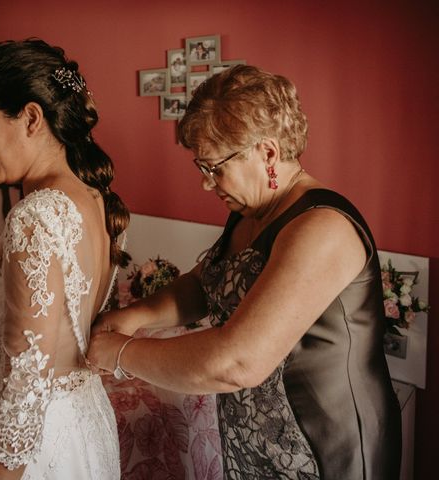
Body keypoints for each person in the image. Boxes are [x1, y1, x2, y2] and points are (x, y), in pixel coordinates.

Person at [88, 64, 401, 479]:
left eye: (214, 167)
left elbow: (238, 361)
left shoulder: (322, 228)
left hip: (327, 447)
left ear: (268, 152)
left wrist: (122, 354)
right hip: (254, 438)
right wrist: (134, 316)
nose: (206, 183)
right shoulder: (250, 212)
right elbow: (205, 284)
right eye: (202, 167)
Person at [0, 39, 129, 479]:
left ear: (32, 117)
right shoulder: (96, 198)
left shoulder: (36, 217)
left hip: (43, 451)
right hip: (86, 423)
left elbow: (26, 384)